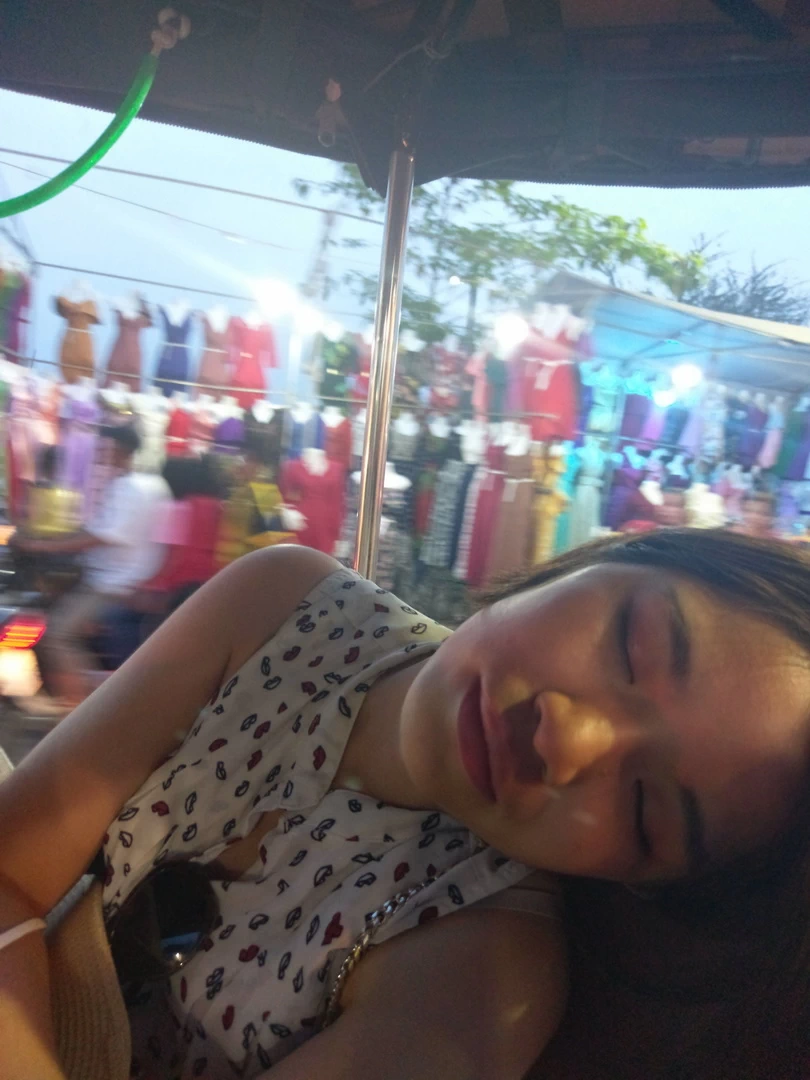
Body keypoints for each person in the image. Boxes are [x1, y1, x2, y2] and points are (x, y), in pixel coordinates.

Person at [0, 529, 809, 1079]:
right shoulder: (286, 606)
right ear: (615, 554)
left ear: (638, 882)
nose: (565, 739)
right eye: (635, 643)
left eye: (643, 811)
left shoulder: (479, 982)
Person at [12, 424, 172, 707]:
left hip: (112, 584)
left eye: (103, 450)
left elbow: (99, 536)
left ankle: (78, 709)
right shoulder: (150, 484)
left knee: (57, 634)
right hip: (124, 577)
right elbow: (93, 530)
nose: (98, 456)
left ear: (120, 451)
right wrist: (49, 539)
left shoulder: (129, 487)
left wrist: (40, 545)